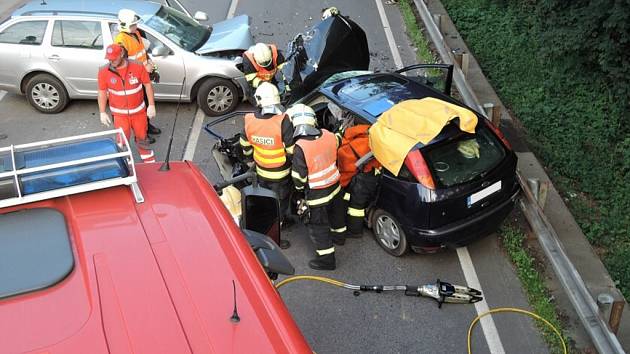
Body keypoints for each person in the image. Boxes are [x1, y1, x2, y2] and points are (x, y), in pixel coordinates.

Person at [289, 104, 346, 270]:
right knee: (337, 216)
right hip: (335, 186)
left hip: (316, 195)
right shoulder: (328, 135)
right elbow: (339, 140)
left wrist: (299, 191)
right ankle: (339, 237)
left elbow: (298, 178)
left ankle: (327, 260)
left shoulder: (301, 147)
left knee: (319, 227)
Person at [239, 82, 294, 249]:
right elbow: (291, 150)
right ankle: (273, 240)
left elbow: (245, 146)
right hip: (281, 174)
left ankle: (278, 224)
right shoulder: (282, 121)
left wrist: (251, 160)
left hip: (261, 172)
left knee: (266, 202)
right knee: (279, 207)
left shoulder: (249, 120)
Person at [98, 44, 156, 163]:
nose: (111, 61)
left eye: (114, 58)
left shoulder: (138, 66)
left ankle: (149, 161)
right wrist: (102, 112)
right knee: (122, 142)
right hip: (120, 116)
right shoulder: (103, 71)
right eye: (109, 58)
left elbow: (147, 85)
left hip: (139, 113)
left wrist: (151, 105)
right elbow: (102, 92)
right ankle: (126, 164)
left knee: (142, 138)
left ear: (122, 54)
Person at [114, 8, 161, 144]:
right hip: (133, 80)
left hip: (142, 76)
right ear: (126, 26)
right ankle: (142, 134)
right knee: (139, 107)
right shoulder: (121, 41)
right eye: (133, 24)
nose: (136, 26)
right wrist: (143, 68)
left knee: (145, 103)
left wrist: (150, 62)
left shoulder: (136, 33)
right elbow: (123, 65)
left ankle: (147, 126)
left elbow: (142, 51)